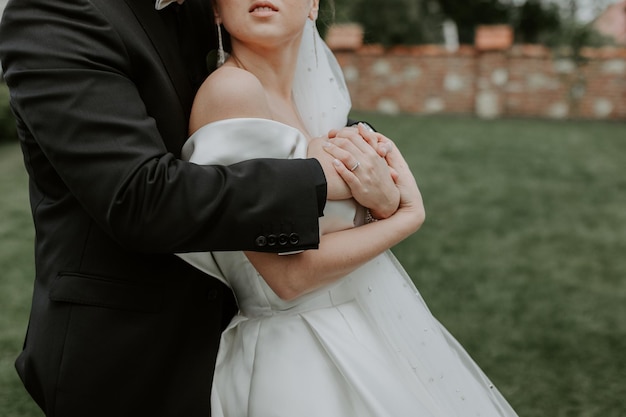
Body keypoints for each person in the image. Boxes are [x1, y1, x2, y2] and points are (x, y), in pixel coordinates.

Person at [0, 0, 396, 416]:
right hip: (128, 353)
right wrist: (319, 177)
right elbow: (138, 198)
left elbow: (279, 92)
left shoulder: (201, 9)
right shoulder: (53, 11)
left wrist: (363, 156)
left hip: (239, 338)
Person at [180, 0, 519, 416]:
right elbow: (287, 277)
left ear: (312, 6)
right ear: (215, 11)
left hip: (352, 332)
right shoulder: (233, 91)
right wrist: (406, 217)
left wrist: (383, 201)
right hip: (293, 361)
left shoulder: (318, 110)